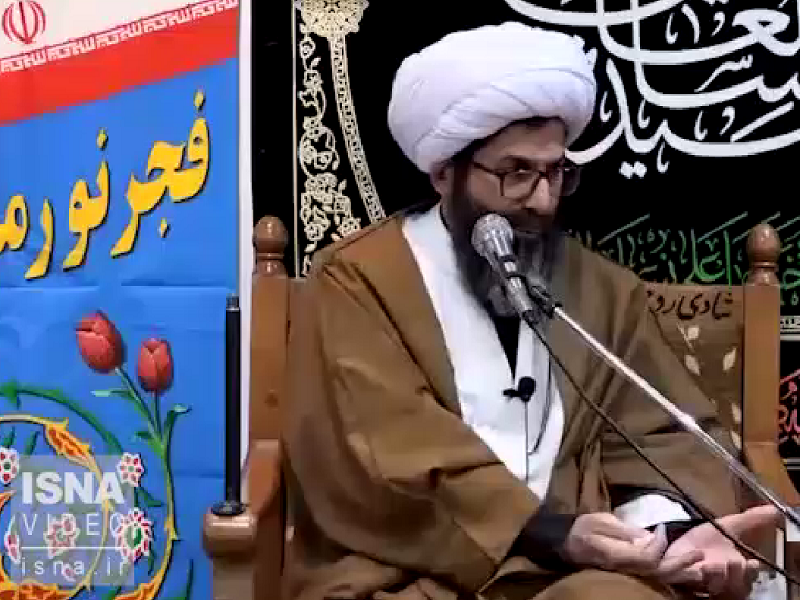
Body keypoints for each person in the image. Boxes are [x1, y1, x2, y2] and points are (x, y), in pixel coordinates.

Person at [282, 22, 781, 600]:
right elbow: (378, 454)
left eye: (556, 172)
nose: (542, 201)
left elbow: (660, 436)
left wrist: (671, 536)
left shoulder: (602, 291)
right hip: (408, 575)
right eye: (516, 173)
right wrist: (547, 532)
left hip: (569, 577)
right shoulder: (356, 281)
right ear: (444, 173)